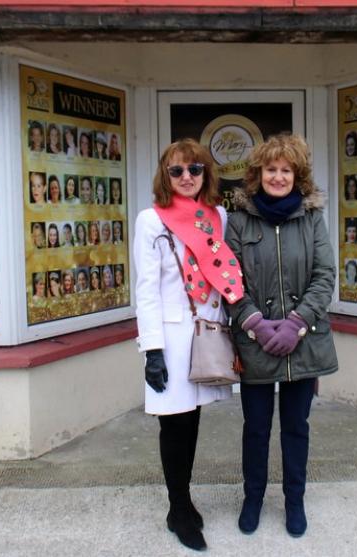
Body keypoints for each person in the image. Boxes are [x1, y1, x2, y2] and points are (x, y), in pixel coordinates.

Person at [133, 138, 243, 551]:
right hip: (171, 337)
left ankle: (183, 499)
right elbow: (146, 290)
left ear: (205, 174)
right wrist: (152, 350)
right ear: (165, 175)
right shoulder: (151, 220)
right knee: (174, 423)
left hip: (206, 332)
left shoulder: (218, 216)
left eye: (194, 169)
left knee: (192, 419)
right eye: (176, 170)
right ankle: (178, 508)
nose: (186, 177)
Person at [225, 133, 337, 540]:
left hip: (303, 343)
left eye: (286, 170)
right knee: (256, 428)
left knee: (295, 427)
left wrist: (296, 323)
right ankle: (252, 499)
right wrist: (255, 323)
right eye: (271, 169)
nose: (278, 176)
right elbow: (229, 281)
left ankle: (294, 502)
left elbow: (325, 276)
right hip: (254, 342)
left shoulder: (312, 218)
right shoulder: (239, 220)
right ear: (258, 174)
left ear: (297, 175)